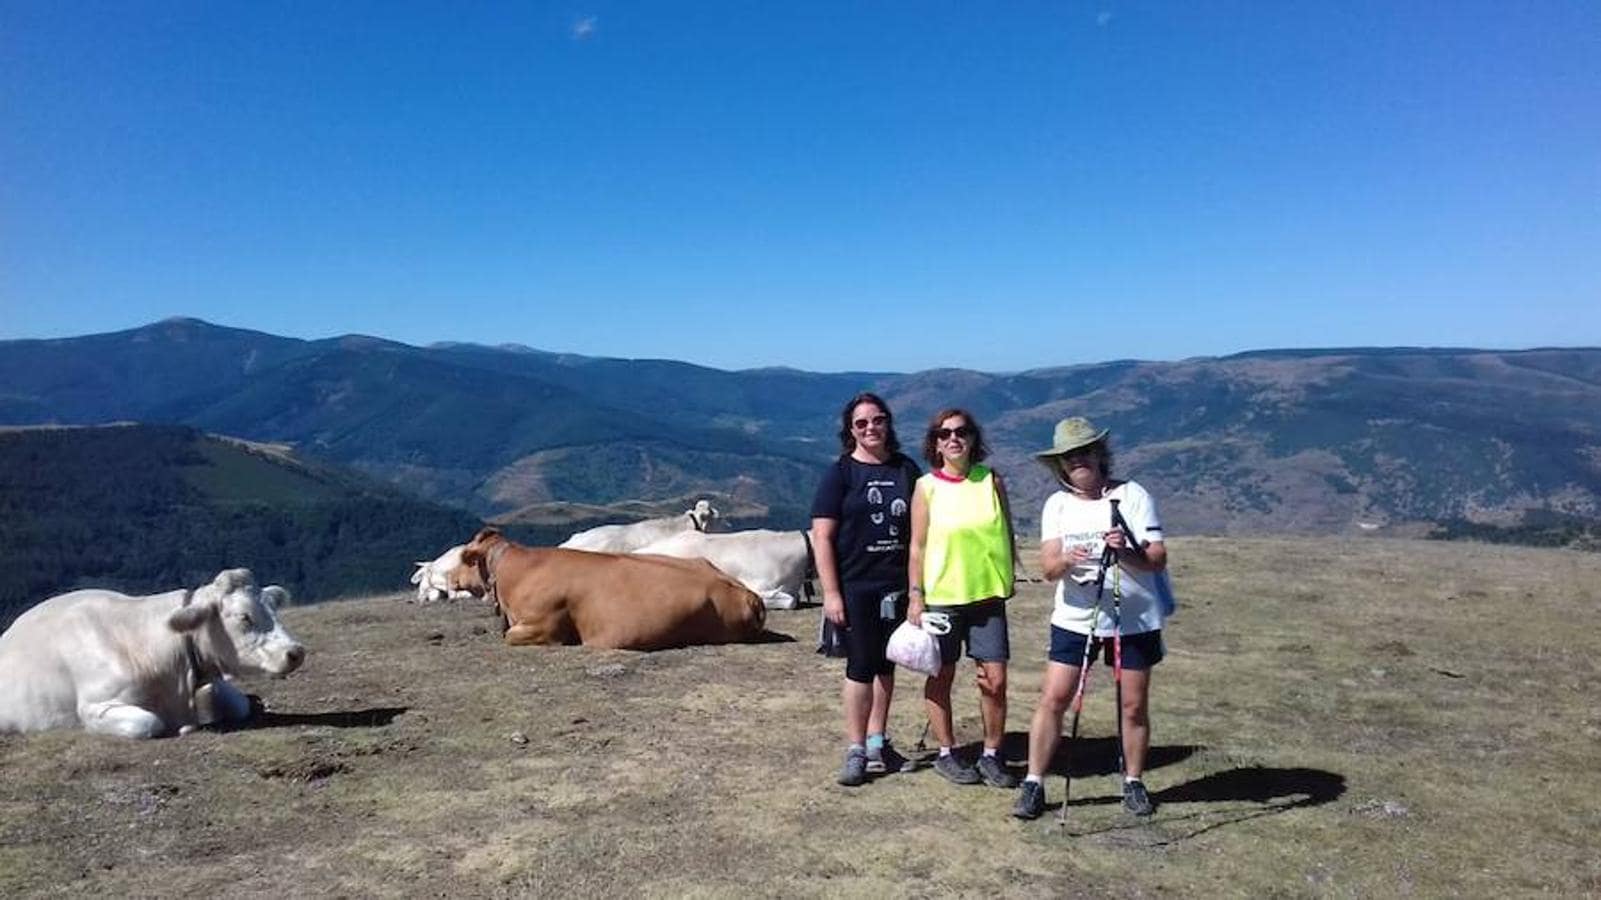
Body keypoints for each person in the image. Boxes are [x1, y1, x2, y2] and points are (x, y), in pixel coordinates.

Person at [1013, 416, 1170, 820]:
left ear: (1100, 452)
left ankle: (1133, 781)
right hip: (1076, 618)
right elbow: (1047, 568)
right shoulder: (1057, 505)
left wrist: (1126, 552)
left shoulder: (1133, 496)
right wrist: (1066, 559)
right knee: (1054, 698)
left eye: (1083, 452)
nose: (1077, 461)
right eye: (1068, 456)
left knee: (1133, 705)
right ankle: (1034, 782)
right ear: (1059, 464)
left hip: (1133, 618)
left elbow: (1156, 560)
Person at [811, 392, 923, 786]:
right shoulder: (840, 473)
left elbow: (921, 533)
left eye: (877, 420)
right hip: (855, 585)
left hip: (895, 586)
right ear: (850, 430)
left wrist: (916, 590)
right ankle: (856, 749)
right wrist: (831, 593)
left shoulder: (906, 469)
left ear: (888, 423)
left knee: (885, 664)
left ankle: (878, 742)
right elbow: (821, 537)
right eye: (861, 423)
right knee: (859, 666)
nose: (870, 428)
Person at [906, 408, 1018, 789]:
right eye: (944, 433)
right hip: (943, 597)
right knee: (941, 675)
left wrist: (1009, 575)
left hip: (988, 595)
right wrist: (916, 596)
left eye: (961, 432)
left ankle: (991, 754)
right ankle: (946, 752)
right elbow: (917, 547)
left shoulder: (991, 481)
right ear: (935, 443)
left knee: (995, 680)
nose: (953, 439)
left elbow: (1007, 531)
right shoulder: (926, 487)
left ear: (973, 438)